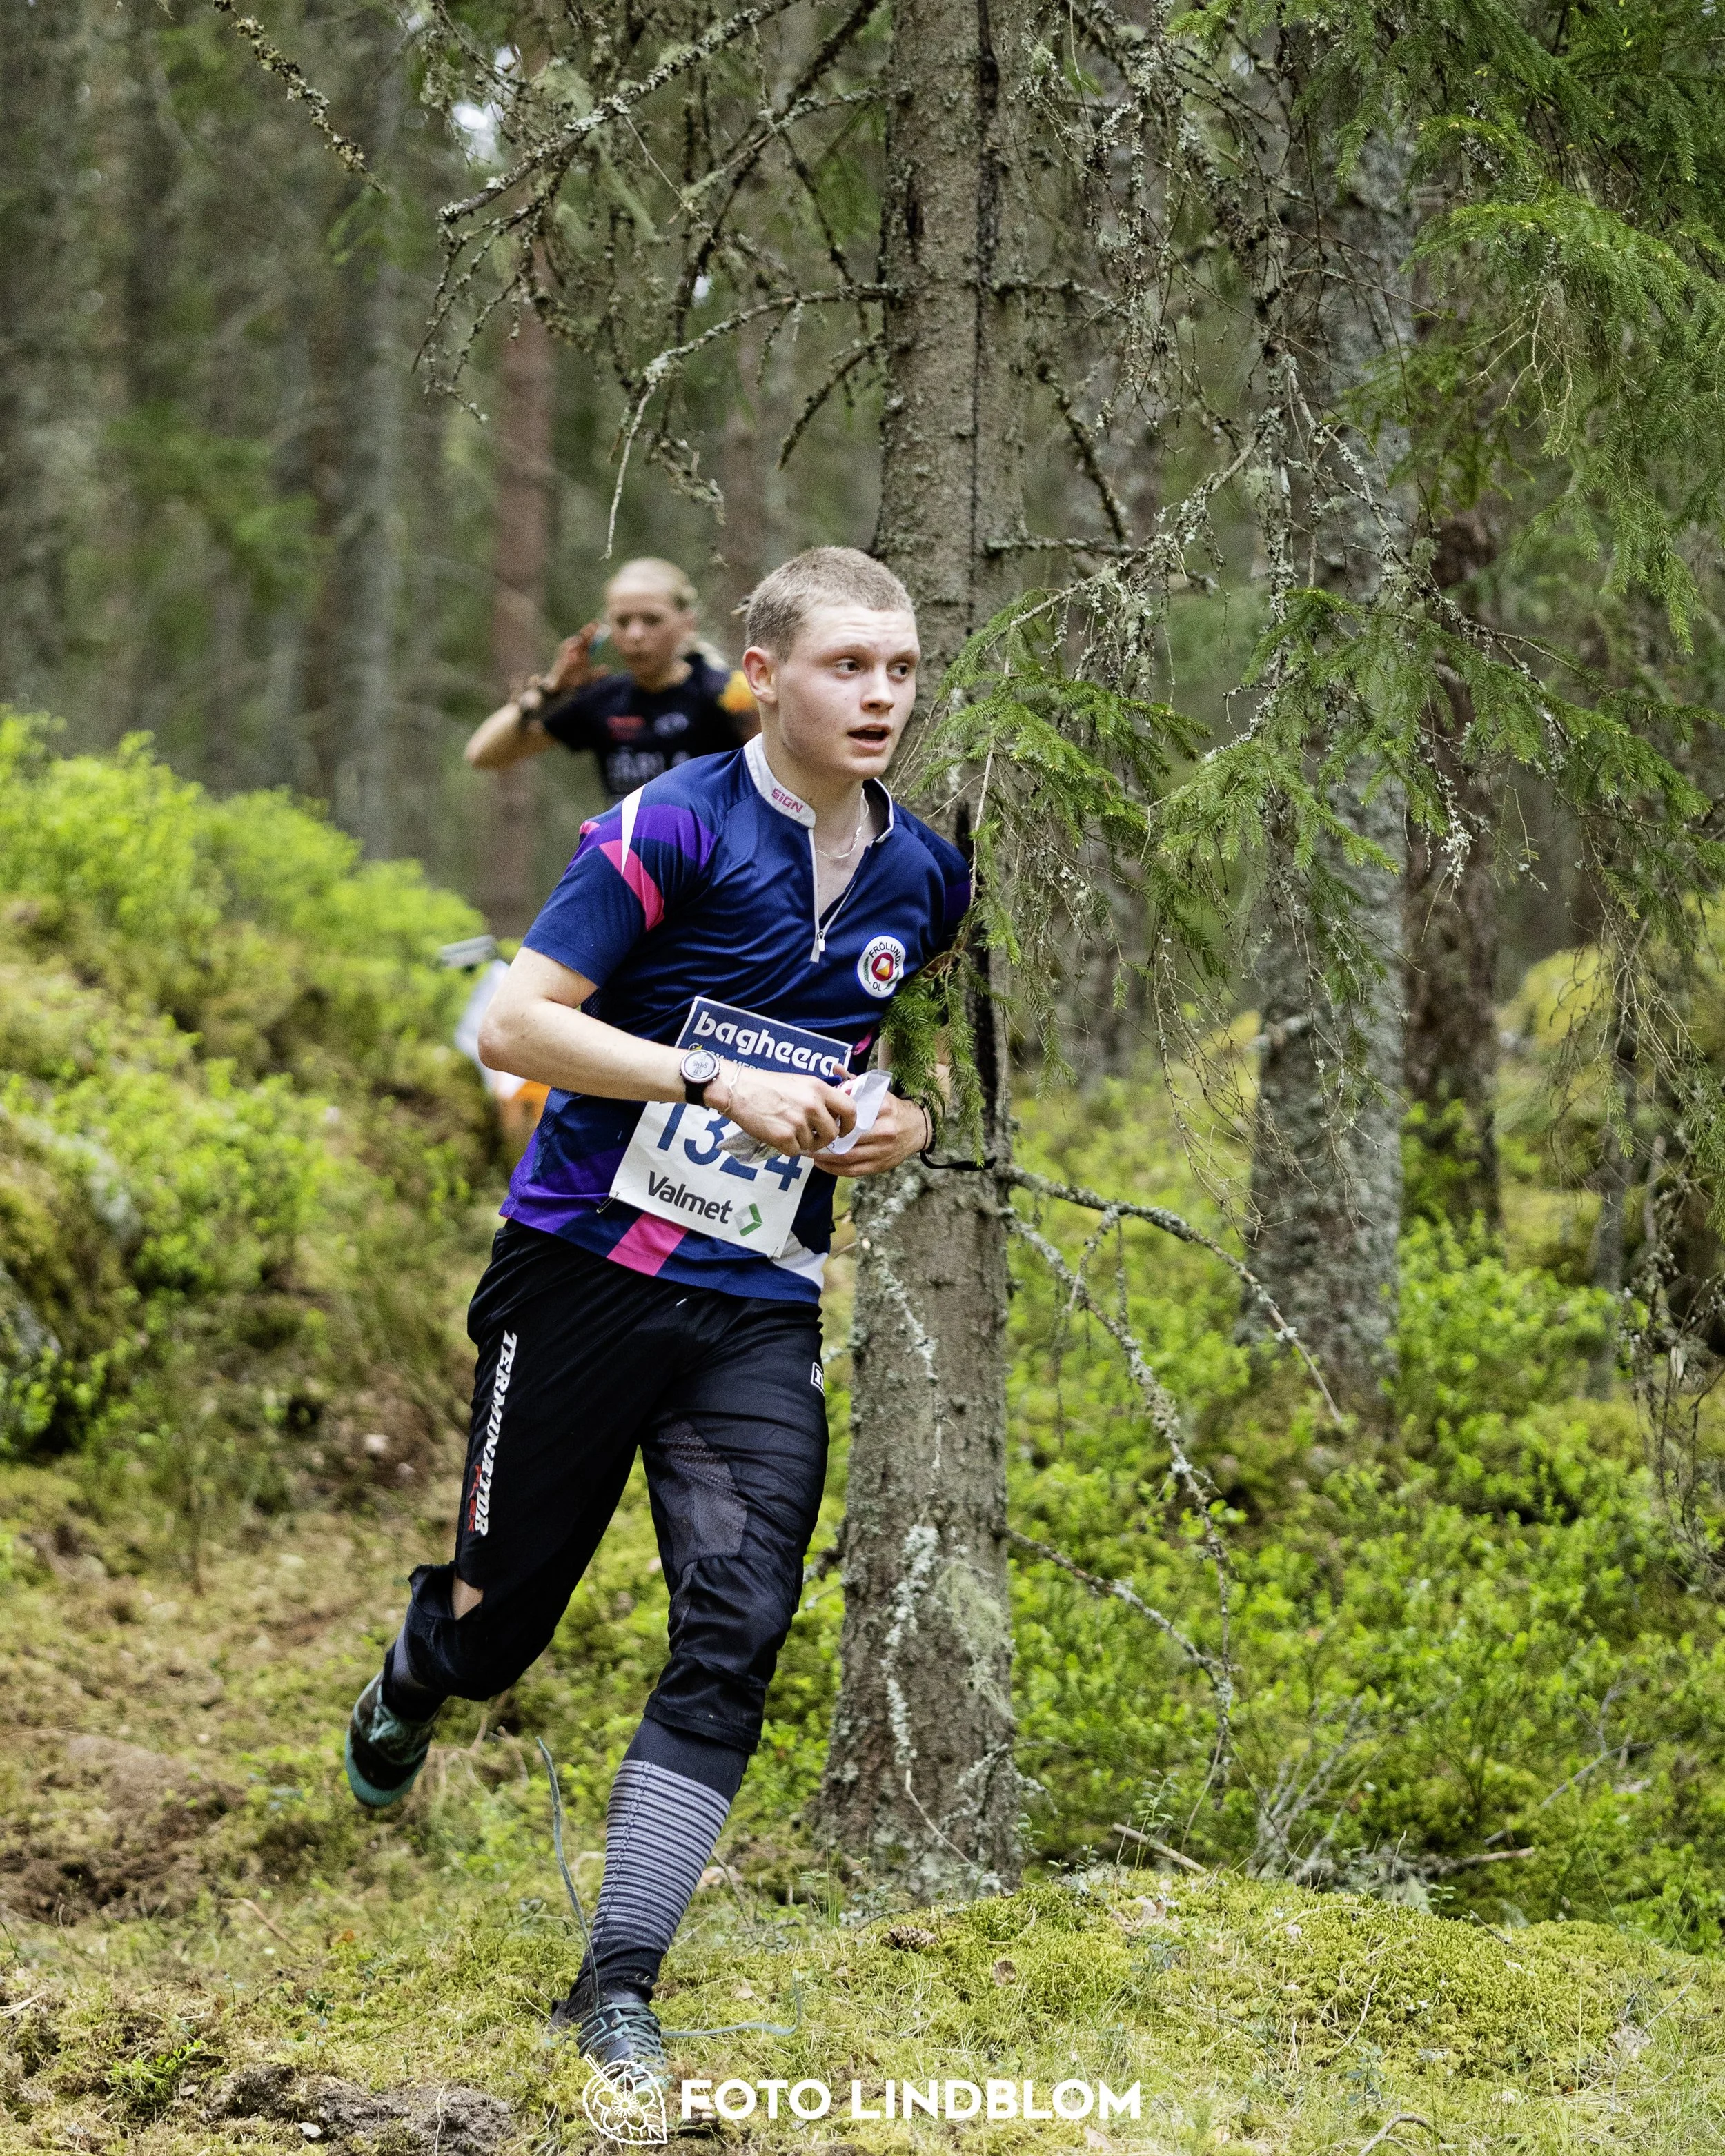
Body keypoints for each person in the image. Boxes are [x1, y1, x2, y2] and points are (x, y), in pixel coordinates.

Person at [343, 546, 967, 2085]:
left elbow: (911, 1060)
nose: (879, 694)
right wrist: (707, 1075)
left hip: (754, 1300)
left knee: (735, 1621)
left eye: (898, 668)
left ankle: (614, 1983)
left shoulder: (927, 872)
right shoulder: (666, 823)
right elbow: (513, 1018)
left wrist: (912, 1125)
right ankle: (421, 1671)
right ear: (761, 673)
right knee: (504, 1637)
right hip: (581, 1273)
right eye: (845, 665)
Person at [464, 556, 757, 804]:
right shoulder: (604, 699)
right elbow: (482, 755)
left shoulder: (724, 693)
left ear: (687, 623)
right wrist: (551, 689)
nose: (635, 635)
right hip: (629, 865)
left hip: (711, 865)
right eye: (622, 622)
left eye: (652, 620)